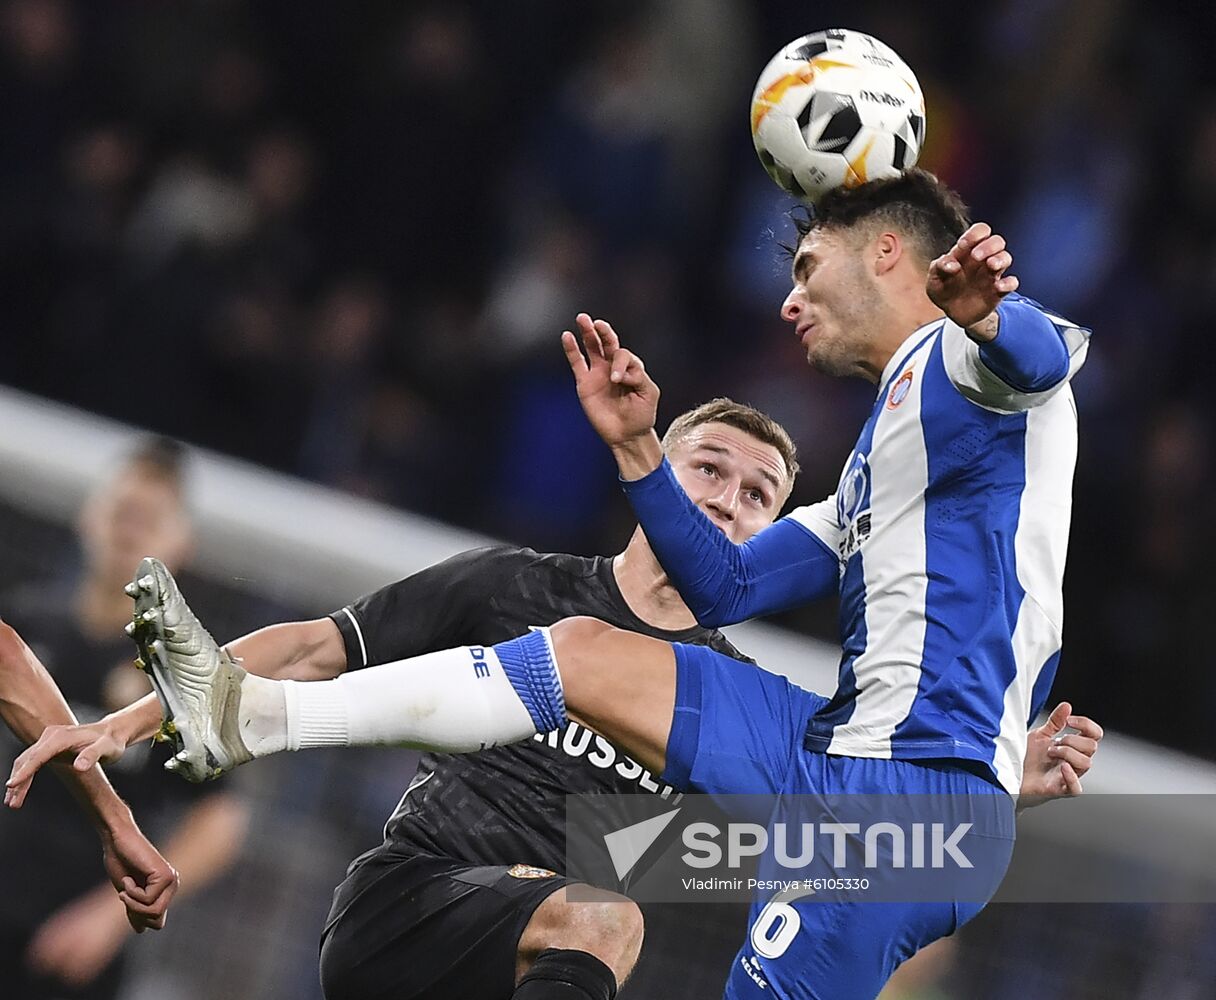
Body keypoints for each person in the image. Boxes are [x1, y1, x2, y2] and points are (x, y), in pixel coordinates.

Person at [12, 402, 1098, 997]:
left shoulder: (734, 701)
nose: (725, 499)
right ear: (657, 482)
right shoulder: (516, 588)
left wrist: (1003, 781)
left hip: (534, 976)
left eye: (757, 495)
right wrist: (130, 717)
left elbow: (864, 811)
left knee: (604, 916)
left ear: (770, 535)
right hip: (411, 906)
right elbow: (311, 644)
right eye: (707, 470)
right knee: (604, 911)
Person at [0, 438, 250, 1000]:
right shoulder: (22, 631)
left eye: (151, 519)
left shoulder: (181, 678)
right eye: (121, 509)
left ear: (181, 542)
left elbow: (221, 819)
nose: (129, 529)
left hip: (72, 942)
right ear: (90, 514)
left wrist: (108, 920)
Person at [0, 619, 179, 939]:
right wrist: (116, 823)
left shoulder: (167, 659)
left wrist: (105, 916)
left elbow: (220, 814)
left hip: (76, 900)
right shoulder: (36, 613)